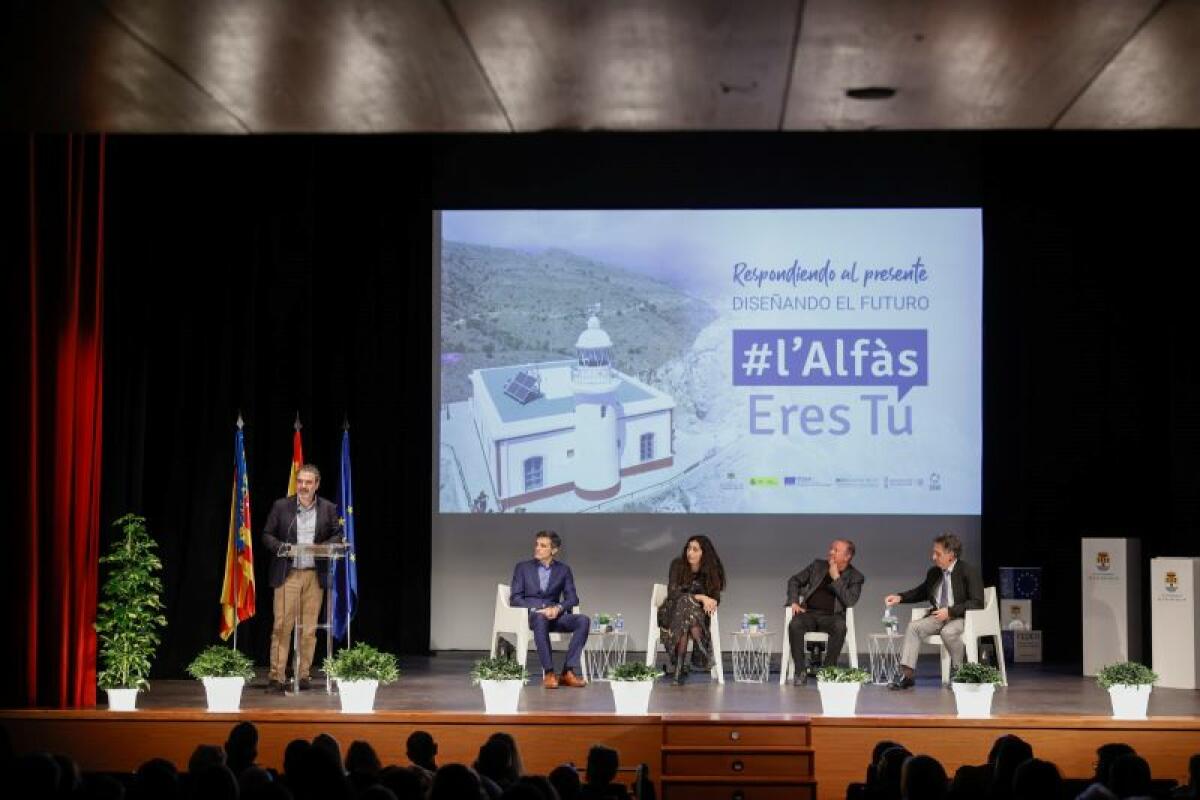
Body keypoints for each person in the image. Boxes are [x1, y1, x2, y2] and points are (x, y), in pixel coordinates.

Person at [262, 464, 344, 693]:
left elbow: (338, 536)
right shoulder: (282, 506)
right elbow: (267, 535)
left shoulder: (328, 508)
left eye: (308, 482)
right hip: (288, 575)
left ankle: (302, 674)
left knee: (308, 629)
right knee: (281, 627)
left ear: (316, 485)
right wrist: (282, 547)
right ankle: (276, 676)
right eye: (300, 482)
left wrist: (321, 547)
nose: (303, 487)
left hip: (314, 576)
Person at [884, 533, 983, 690]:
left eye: (938, 553)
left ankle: (960, 673)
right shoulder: (934, 572)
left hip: (960, 616)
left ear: (951, 554)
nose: (933, 557)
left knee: (948, 632)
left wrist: (950, 611)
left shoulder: (968, 571)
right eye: (933, 553)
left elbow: (977, 602)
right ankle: (907, 675)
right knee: (913, 627)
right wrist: (900, 597)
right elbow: (921, 592)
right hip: (938, 616)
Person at [509, 530, 590, 688]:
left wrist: (558, 608)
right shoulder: (522, 568)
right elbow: (515, 598)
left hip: (555, 617)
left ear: (553, 550)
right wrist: (541, 608)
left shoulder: (563, 570)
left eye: (543, 546)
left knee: (583, 620)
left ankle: (568, 672)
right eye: (537, 544)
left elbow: (573, 598)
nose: (537, 548)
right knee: (540, 618)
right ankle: (549, 673)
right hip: (534, 616)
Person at [785, 538, 864, 685]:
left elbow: (850, 600)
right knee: (795, 624)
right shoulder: (818, 566)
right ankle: (800, 672)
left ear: (847, 556)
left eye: (836, 550)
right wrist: (794, 601)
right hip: (809, 613)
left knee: (841, 627)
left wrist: (836, 578)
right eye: (831, 549)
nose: (831, 552)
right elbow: (794, 580)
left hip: (832, 617)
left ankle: (828, 671)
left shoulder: (855, 577)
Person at [659, 535, 726, 685]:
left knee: (686, 616)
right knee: (684, 602)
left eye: (695, 549)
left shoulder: (711, 570)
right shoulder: (677, 565)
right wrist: (701, 597)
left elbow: (716, 598)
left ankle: (678, 672)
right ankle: (702, 648)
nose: (690, 552)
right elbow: (673, 593)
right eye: (689, 548)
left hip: (695, 617)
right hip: (671, 613)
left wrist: (710, 600)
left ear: (704, 553)